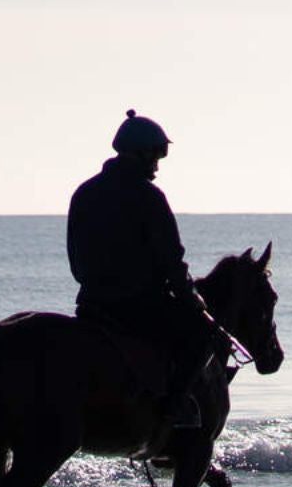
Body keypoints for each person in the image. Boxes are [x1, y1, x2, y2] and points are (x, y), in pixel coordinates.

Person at [67, 110, 223, 428]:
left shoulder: (84, 192)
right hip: (139, 306)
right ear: (143, 154)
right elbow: (172, 260)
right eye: (156, 157)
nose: (156, 166)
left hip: (92, 304)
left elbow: (76, 259)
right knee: (203, 334)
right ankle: (175, 408)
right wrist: (192, 298)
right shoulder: (148, 197)